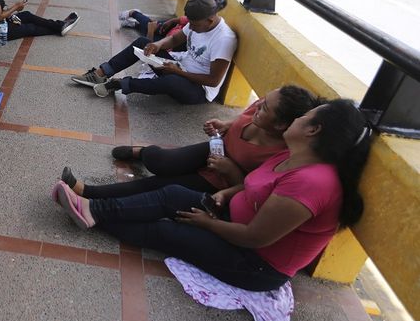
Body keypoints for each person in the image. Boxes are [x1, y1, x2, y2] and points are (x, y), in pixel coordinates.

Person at [52, 99, 372, 292]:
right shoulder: (294, 153)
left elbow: (254, 238)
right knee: (173, 193)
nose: (299, 118)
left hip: (255, 264)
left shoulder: (313, 182)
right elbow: (252, 185)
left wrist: (206, 224)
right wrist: (228, 193)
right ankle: (93, 208)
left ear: (314, 130)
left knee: (169, 231)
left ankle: (93, 213)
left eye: (305, 116)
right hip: (231, 216)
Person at [61, 85, 319, 198]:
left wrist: (231, 170)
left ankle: (89, 193)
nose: (259, 104)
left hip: (219, 177)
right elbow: (242, 118)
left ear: (281, 125)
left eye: (265, 108)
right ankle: (143, 153)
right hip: (216, 148)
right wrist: (226, 125)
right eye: (262, 100)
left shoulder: (281, 155)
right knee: (163, 161)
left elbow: (252, 188)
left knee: (158, 185)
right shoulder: (260, 108)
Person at [72, 0, 237, 104]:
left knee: (171, 82)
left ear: (210, 20)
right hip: (179, 68)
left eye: (195, 25)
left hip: (198, 90)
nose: (191, 27)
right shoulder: (196, 24)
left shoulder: (224, 39)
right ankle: (101, 74)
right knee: (143, 42)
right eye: (190, 24)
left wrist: (177, 72)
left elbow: (213, 80)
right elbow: (174, 39)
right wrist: (157, 45)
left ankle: (122, 84)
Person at [118, 0, 227, 41]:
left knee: (149, 31)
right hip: (170, 29)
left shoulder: (201, 26)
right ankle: (134, 14)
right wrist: (171, 21)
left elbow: (151, 49)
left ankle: (136, 23)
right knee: (154, 26)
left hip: (167, 40)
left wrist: (150, 33)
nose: (191, 27)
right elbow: (183, 19)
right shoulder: (198, 17)